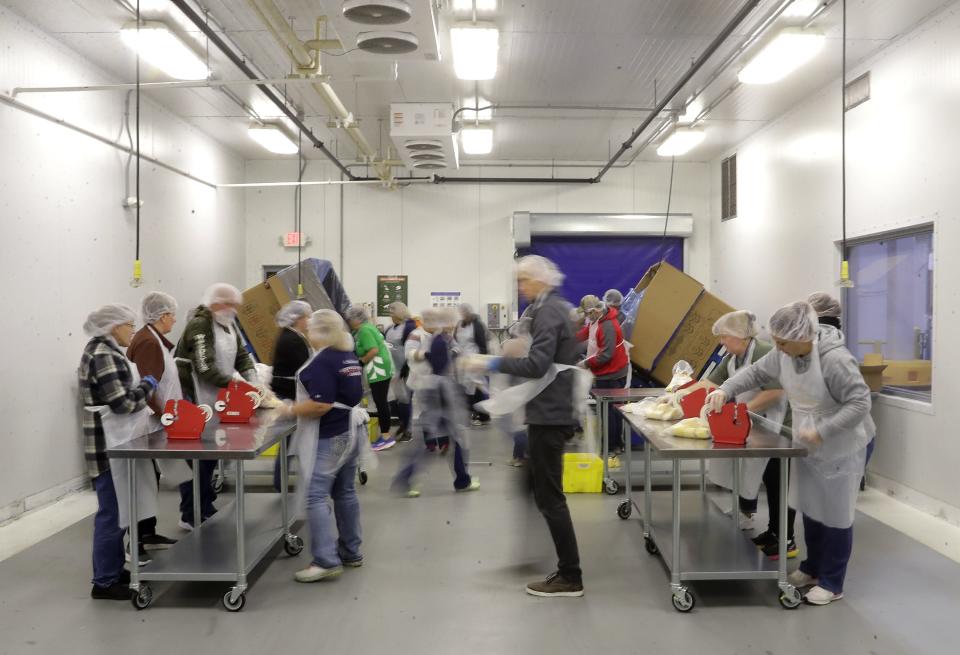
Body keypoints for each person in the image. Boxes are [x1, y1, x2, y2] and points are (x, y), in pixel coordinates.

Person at [707, 301, 873, 606]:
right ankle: (812, 568)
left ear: (802, 336)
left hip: (841, 443)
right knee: (810, 506)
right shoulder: (784, 352)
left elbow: (860, 404)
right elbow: (755, 373)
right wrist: (725, 390)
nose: (778, 348)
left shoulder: (835, 360)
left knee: (835, 513)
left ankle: (833, 582)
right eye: (777, 342)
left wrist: (823, 431)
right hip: (806, 442)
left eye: (782, 342)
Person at [478, 255, 585, 598]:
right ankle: (542, 558)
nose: (520, 287)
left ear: (539, 280)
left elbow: (538, 364)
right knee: (535, 488)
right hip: (547, 412)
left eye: (524, 280)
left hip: (550, 416)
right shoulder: (548, 308)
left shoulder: (549, 310)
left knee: (550, 498)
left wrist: (492, 361)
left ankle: (570, 575)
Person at [681, 310, 794, 557]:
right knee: (749, 469)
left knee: (777, 481)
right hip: (756, 424)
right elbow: (712, 382)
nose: (721, 342)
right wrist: (679, 394)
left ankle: (785, 537)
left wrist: (741, 410)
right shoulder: (732, 358)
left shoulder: (764, 352)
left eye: (724, 337)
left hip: (780, 426)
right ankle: (753, 517)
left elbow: (776, 392)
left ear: (741, 336)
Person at [79, 304, 160, 600]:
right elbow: (123, 404)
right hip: (107, 445)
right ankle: (104, 582)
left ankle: (112, 568)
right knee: (112, 514)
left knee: (119, 509)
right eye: (130, 326)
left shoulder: (102, 349)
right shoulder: (104, 355)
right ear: (115, 327)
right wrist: (147, 386)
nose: (133, 332)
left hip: (113, 442)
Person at [279, 310, 365, 582]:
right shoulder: (347, 355)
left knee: (315, 495)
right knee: (345, 491)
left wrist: (288, 410)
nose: (307, 333)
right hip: (353, 431)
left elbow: (320, 405)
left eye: (310, 329)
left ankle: (326, 560)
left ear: (319, 331)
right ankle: (351, 552)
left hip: (333, 435)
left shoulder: (322, 361)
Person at [174, 283, 259, 530]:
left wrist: (252, 377)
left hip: (216, 399)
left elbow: (241, 354)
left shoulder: (229, 323)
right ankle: (190, 512)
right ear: (216, 303)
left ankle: (206, 503)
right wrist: (236, 383)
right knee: (196, 459)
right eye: (230, 304)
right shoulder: (200, 325)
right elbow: (204, 366)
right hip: (195, 399)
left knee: (211, 455)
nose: (234, 310)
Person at [125, 292, 187, 556]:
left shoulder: (154, 339)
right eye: (173, 315)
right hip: (149, 422)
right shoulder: (149, 342)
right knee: (144, 481)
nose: (174, 320)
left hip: (159, 420)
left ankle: (147, 533)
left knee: (153, 478)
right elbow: (147, 387)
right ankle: (136, 541)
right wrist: (166, 416)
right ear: (163, 316)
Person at [393, 308, 480, 496]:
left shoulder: (445, 339)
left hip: (440, 396)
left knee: (446, 442)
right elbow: (438, 368)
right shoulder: (439, 340)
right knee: (434, 442)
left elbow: (451, 359)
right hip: (440, 397)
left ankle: (461, 480)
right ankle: (406, 479)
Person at [576, 294, 629, 469]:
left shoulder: (608, 326)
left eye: (588, 313)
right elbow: (586, 333)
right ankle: (611, 444)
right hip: (603, 372)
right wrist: (568, 339)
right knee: (605, 410)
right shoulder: (596, 320)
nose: (586, 317)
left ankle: (613, 446)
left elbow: (606, 355)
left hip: (613, 373)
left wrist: (586, 363)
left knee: (610, 411)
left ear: (596, 310)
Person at [270, 300, 313, 491]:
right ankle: (280, 483)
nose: (309, 321)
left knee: (290, 441)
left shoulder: (293, 336)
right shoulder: (291, 339)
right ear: (297, 319)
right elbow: (304, 368)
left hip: (290, 393)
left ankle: (282, 481)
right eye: (307, 317)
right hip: (288, 395)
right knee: (288, 441)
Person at [345, 305, 396, 452]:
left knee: (381, 403)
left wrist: (360, 362)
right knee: (382, 402)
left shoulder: (365, 330)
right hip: (381, 368)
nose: (348, 322)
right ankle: (385, 435)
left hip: (377, 368)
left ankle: (386, 437)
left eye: (349, 319)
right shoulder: (367, 327)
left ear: (356, 319)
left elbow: (373, 350)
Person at [384, 302, 418, 442]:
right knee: (394, 401)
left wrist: (405, 369)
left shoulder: (410, 327)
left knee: (405, 400)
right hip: (393, 370)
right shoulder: (389, 328)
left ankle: (408, 430)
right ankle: (403, 424)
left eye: (392, 312)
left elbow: (412, 349)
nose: (390, 315)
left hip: (407, 370)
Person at [456, 303, 491, 426]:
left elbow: (483, 345)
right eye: (461, 312)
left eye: (465, 312)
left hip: (475, 360)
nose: (463, 314)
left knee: (477, 389)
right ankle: (471, 413)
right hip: (463, 362)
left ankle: (483, 415)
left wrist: (482, 362)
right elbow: (456, 341)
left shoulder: (477, 325)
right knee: (467, 389)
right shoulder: (459, 325)